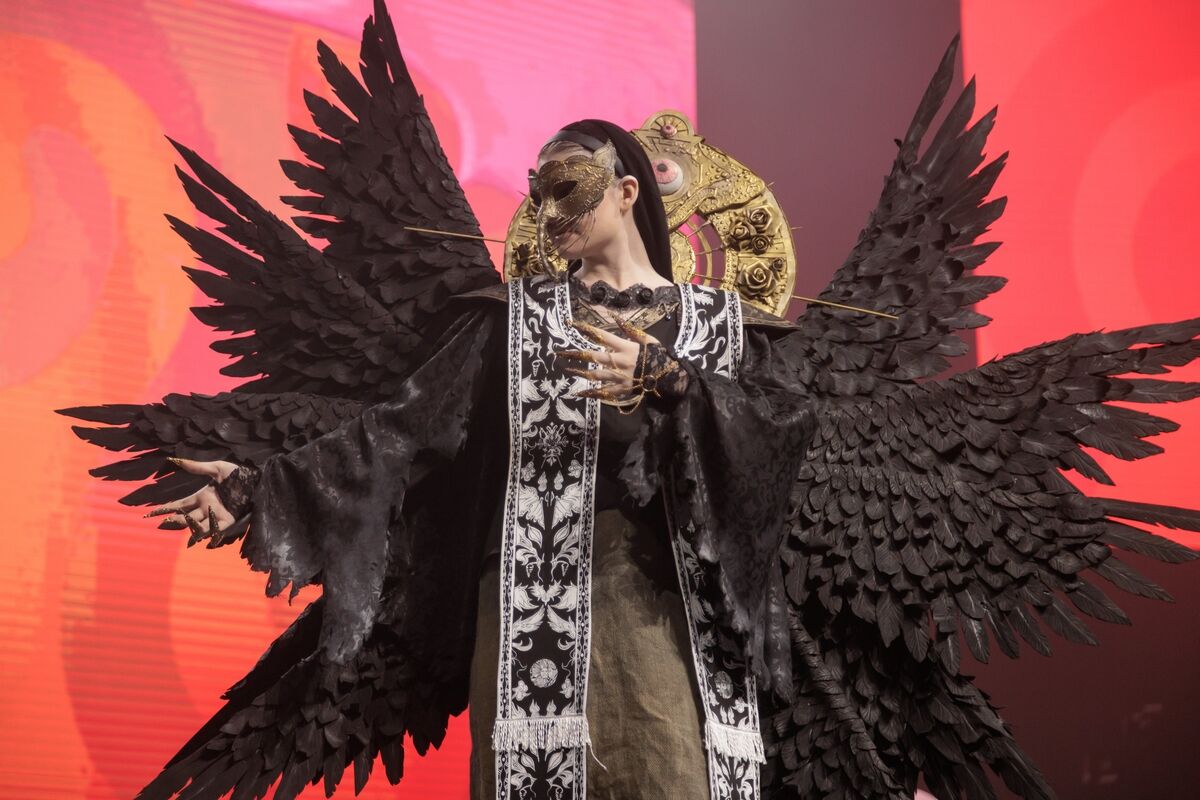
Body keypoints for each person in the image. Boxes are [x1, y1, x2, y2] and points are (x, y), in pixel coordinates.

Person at [59, 3, 1200, 799]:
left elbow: (780, 451)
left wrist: (672, 389)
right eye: (537, 191)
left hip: (674, 633)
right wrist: (256, 491)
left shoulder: (724, 329)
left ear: (624, 189)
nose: (549, 210)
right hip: (532, 631)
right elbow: (397, 434)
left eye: (568, 187)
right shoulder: (509, 323)